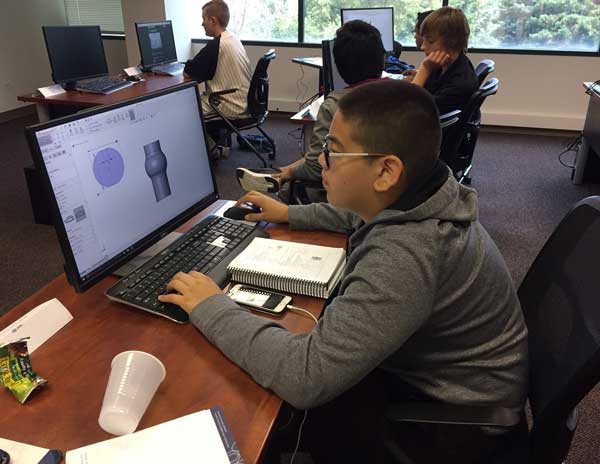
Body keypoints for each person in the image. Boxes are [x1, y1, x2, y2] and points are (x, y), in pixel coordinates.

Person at [159, 80, 529, 462]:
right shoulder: (425, 195)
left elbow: (305, 376)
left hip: (452, 426)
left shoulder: (408, 253)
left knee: (256, 413)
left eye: (332, 151)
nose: (320, 160)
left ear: (385, 172)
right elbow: (361, 210)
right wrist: (288, 212)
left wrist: (211, 305)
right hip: (439, 377)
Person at [236, 20, 386, 196]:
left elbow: (316, 168)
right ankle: (280, 173)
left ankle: (282, 176)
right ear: (382, 58)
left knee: (287, 194)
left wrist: (292, 175)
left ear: (339, 66)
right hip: (389, 189)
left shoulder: (337, 106)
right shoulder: (403, 95)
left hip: (351, 199)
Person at [184, 0, 252, 157]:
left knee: (184, 111)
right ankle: (215, 145)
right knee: (198, 100)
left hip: (229, 106)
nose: (202, 23)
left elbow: (189, 74)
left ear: (212, 20)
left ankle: (212, 150)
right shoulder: (233, 38)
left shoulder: (216, 45)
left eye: (204, 18)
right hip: (243, 101)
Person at [410, 6, 479, 115]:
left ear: (452, 42)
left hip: (429, 129)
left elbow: (407, 107)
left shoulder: (459, 86)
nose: (423, 46)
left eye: (430, 40)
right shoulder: (446, 66)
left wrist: (424, 69)